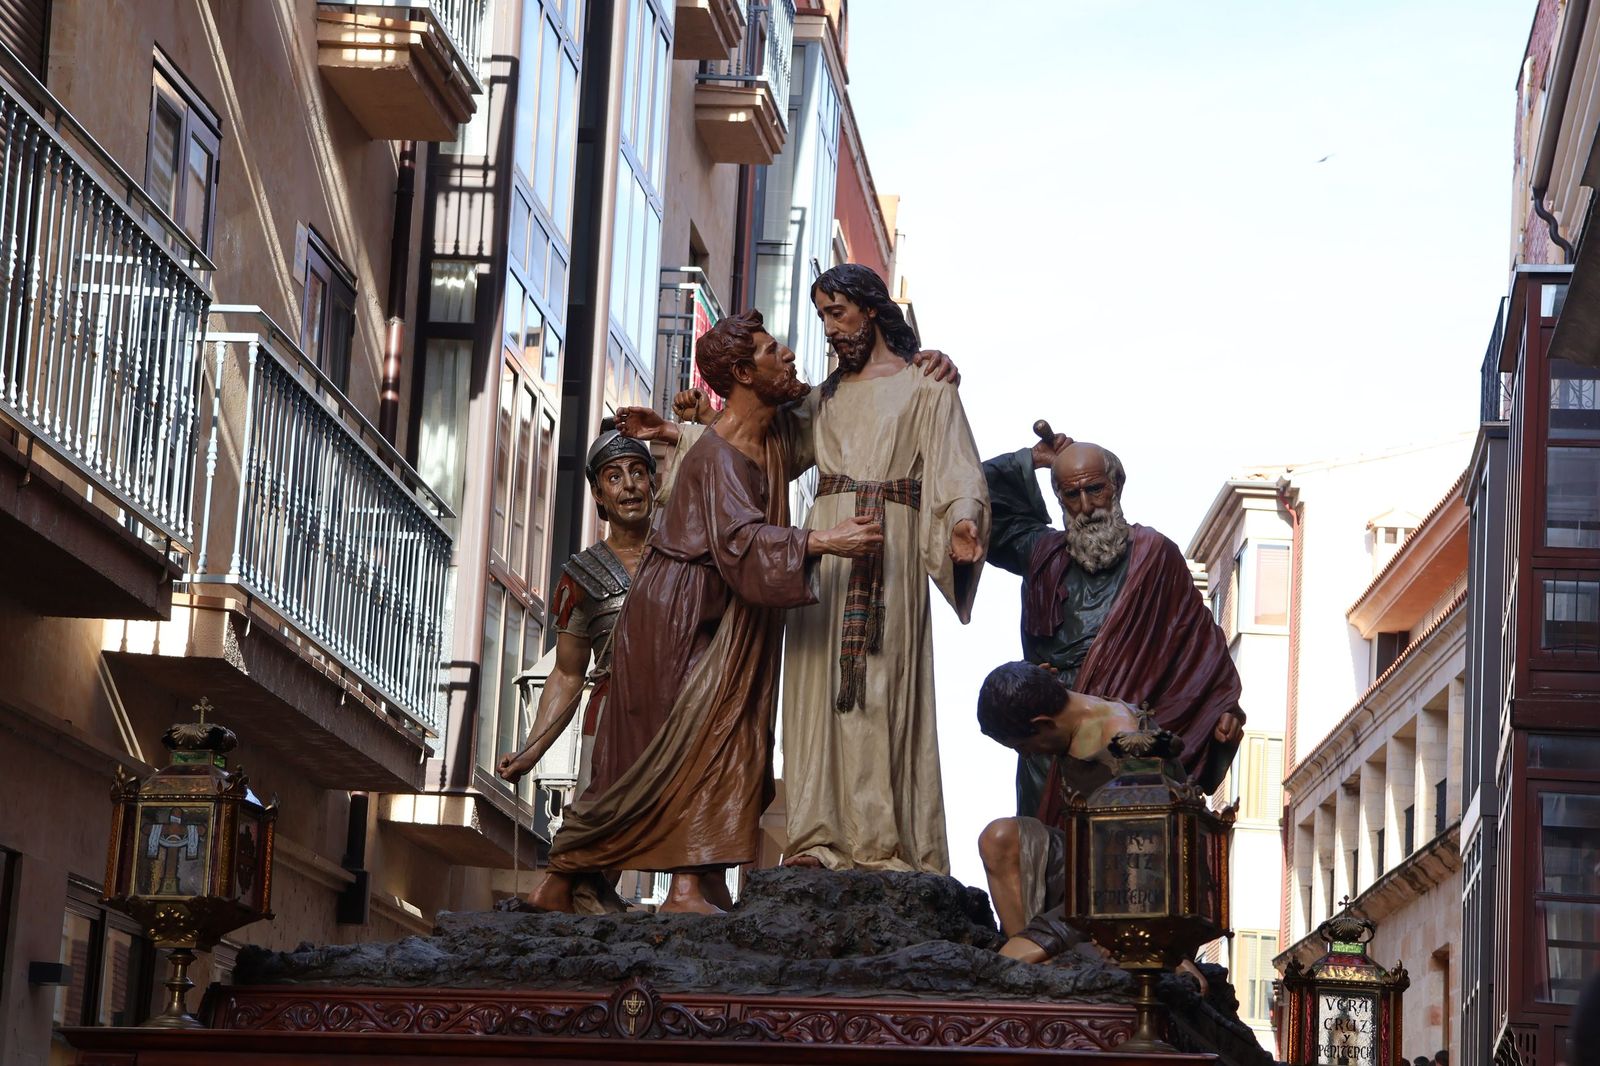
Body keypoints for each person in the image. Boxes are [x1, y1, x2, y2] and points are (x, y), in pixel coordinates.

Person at [526, 310, 881, 915]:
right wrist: (827, 541)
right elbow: (740, 542)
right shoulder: (721, 456)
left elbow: (827, 405)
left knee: (734, 738)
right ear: (744, 372)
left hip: (713, 611)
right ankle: (684, 887)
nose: (789, 356)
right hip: (684, 617)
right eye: (774, 352)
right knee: (705, 739)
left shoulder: (758, 438)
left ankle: (687, 878)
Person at [983, 437, 1245, 818]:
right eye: (1072, 495)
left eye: (1095, 489)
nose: (1087, 507)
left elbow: (1199, 643)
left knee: (1128, 848)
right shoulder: (1040, 551)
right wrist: (1032, 459)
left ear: (1116, 487)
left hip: (1129, 737)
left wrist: (1224, 707)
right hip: (1050, 731)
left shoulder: (1155, 555)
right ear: (1058, 499)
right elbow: (970, 497)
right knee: (1041, 851)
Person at [495, 427, 656, 792]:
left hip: (681, 716)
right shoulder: (580, 577)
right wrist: (530, 752)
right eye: (615, 477)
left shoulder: (683, 555)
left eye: (638, 472)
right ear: (599, 494)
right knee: (595, 833)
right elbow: (568, 673)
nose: (629, 486)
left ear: (653, 483)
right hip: (611, 721)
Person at [972, 661, 1140, 963]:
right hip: (1084, 867)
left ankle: (1036, 957)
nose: (1025, 754)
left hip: (1126, 885)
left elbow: (1149, 847)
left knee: (1008, 961)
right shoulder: (1064, 707)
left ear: (1044, 724)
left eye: (1023, 745)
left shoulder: (1121, 736)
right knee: (998, 837)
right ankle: (1036, 958)